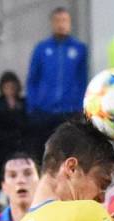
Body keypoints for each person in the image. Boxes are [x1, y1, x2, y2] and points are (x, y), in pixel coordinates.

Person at [25, 7, 87, 159]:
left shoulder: (79, 49)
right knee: (44, 153)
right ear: (52, 23)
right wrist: (33, 105)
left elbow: (83, 79)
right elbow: (32, 78)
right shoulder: (42, 48)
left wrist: (80, 106)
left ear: (70, 23)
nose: (61, 24)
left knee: (69, 153)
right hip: (44, 111)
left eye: (64, 20)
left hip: (70, 111)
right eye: (58, 21)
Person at [0, 71, 31, 170]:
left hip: (20, 141)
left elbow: (27, 125)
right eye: (7, 87)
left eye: (13, 87)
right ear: (2, 88)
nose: (10, 90)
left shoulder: (24, 103)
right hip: (2, 142)